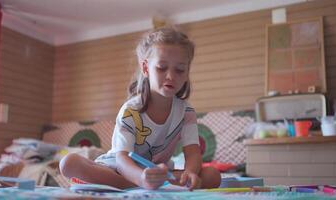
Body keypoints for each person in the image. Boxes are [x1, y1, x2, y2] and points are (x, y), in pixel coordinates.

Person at [59, 27, 221, 190]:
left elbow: (193, 152)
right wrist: (141, 179)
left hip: (158, 172)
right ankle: (137, 184)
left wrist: (190, 173)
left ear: (186, 73)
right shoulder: (131, 111)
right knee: (69, 163)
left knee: (213, 175)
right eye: (161, 67)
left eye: (179, 70)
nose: (171, 76)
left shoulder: (186, 112)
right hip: (120, 169)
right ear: (145, 68)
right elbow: (122, 159)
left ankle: (148, 184)